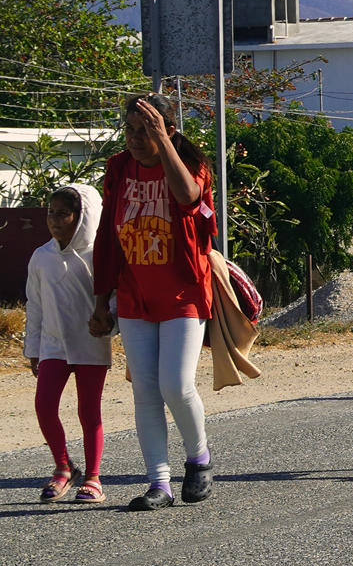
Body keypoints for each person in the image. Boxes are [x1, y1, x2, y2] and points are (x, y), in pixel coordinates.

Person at [91, 95, 217, 510]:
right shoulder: (118, 168)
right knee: (144, 391)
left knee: (175, 385)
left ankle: (198, 459)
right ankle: (158, 484)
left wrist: (165, 147)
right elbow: (109, 234)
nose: (136, 138)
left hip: (184, 294)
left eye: (147, 129)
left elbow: (186, 198)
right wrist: (101, 297)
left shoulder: (191, 165)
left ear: (169, 130)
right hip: (133, 297)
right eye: (130, 129)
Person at [27, 183, 109, 504]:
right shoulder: (40, 257)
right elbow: (34, 306)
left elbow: (112, 299)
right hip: (52, 346)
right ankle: (63, 467)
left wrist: (109, 324)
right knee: (44, 406)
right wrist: (32, 349)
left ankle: (93, 477)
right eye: (51, 213)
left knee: (89, 412)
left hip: (91, 345)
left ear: (82, 217)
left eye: (63, 214)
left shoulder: (98, 256)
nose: (54, 220)